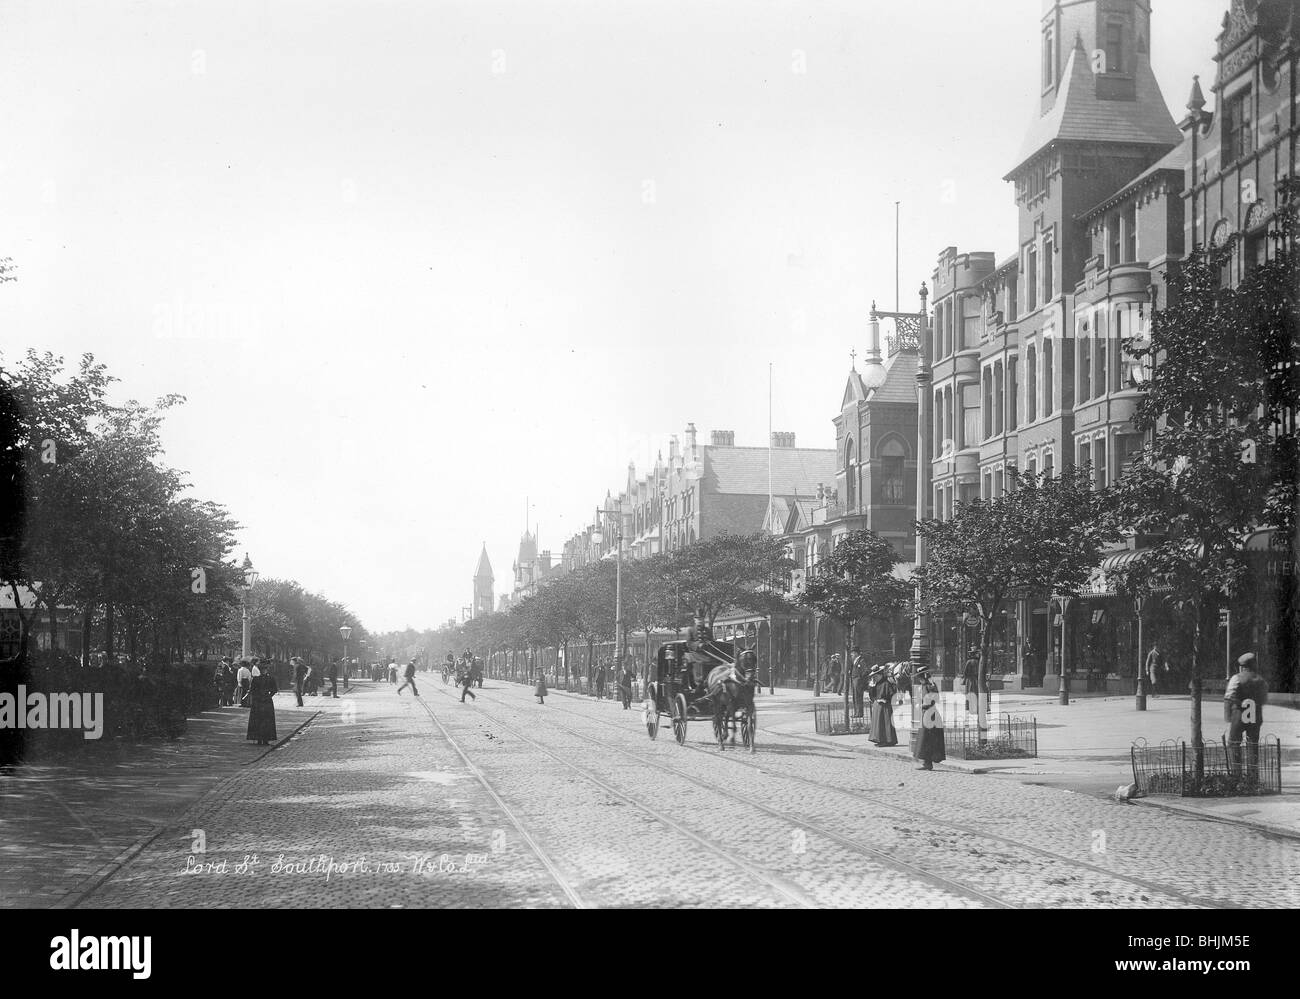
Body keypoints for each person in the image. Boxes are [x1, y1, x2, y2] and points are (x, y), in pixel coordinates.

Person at [1224, 652, 1268, 780]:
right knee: (1252, 744)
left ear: (1242, 666)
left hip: (1239, 714)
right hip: (1255, 716)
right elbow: (1264, 699)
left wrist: (1228, 716)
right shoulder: (1261, 680)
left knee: (1233, 743)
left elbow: (1229, 696)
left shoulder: (1236, 678)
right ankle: (1253, 777)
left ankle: (1236, 775)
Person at [913, 665, 945, 771]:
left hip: (930, 714)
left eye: (920, 677)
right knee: (926, 738)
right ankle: (927, 762)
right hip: (928, 713)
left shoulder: (929, 685)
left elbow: (934, 698)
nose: (919, 679)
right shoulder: (927, 685)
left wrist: (922, 705)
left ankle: (928, 762)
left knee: (927, 738)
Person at [247, 665, 279, 745]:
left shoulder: (256, 679)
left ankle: (258, 738)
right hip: (267, 702)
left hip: (257, 702)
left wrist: (256, 697)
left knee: (257, 719)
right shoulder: (271, 679)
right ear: (266, 670)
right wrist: (269, 695)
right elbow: (275, 690)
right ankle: (266, 739)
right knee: (267, 720)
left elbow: (252, 690)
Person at [869, 663, 898, 747]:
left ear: (880, 675)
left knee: (885, 724)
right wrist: (871, 687)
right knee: (879, 724)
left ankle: (887, 740)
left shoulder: (887, 683)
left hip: (885, 707)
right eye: (873, 677)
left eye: (876, 676)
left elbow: (892, 694)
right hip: (878, 706)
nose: (875, 678)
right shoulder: (876, 684)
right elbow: (872, 696)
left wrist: (886, 700)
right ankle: (880, 739)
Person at [850, 648, 868, 718]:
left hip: (858, 681)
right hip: (854, 680)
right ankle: (856, 712)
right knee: (855, 697)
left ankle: (859, 713)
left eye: (853, 653)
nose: (851, 654)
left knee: (858, 697)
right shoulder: (855, 660)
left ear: (856, 653)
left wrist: (860, 678)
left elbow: (865, 670)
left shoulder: (861, 660)